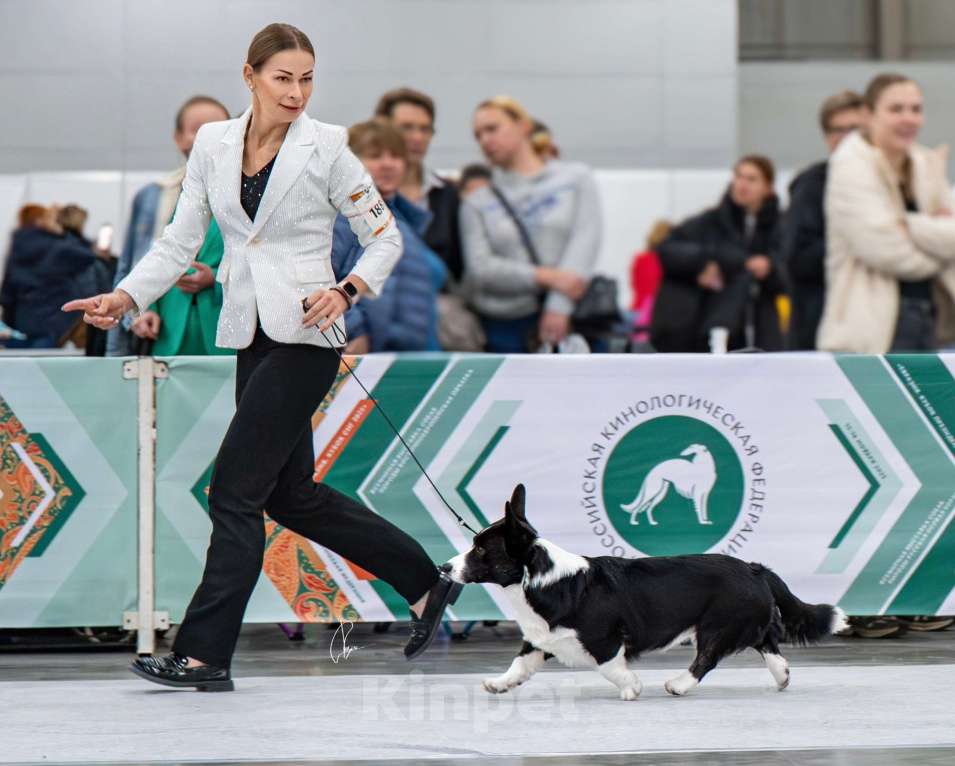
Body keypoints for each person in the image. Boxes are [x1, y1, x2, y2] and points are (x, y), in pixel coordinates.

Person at [62, 23, 461, 692]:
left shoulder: (328, 147)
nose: (296, 92)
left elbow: (384, 238)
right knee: (290, 495)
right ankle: (425, 583)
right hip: (250, 332)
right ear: (249, 76)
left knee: (234, 491)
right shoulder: (213, 144)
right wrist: (125, 296)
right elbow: (179, 240)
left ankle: (204, 654)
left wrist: (347, 290)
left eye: (307, 79)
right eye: (283, 78)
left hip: (307, 337)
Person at [818, 73, 955, 353]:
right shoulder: (850, 165)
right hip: (873, 334)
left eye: (916, 109)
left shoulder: (926, 163)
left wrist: (907, 225)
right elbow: (885, 251)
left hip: (935, 323)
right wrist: (942, 250)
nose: (909, 118)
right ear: (868, 115)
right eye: (896, 109)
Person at [459, 95, 599, 353]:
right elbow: (480, 268)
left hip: (571, 318)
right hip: (502, 327)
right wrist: (546, 277)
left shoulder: (575, 179)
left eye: (492, 128)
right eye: (478, 135)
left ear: (523, 126)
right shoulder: (477, 202)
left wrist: (558, 307)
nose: (485, 140)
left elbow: (585, 240)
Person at [107, 96, 232, 356]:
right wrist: (138, 313)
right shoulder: (152, 196)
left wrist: (215, 278)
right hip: (166, 336)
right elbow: (132, 265)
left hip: (227, 335)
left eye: (218, 128)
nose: (207, 136)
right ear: (178, 137)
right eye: (197, 129)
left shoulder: (246, 194)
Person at [331, 118, 446, 352]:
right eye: (375, 156)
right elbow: (314, 280)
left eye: (396, 156)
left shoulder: (403, 222)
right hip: (366, 359)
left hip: (404, 360)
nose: (388, 164)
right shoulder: (341, 217)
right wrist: (353, 330)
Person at [651, 155, 786, 353]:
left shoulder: (781, 227)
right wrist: (703, 263)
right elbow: (667, 249)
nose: (742, 184)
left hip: (762, 327)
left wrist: (770, 268)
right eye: (738, 176)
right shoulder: (710, 222)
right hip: (710, 327)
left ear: (768, 187)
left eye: (751, 179)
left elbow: (792, 271)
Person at [782, 91, 864, 350]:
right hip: (819, 328)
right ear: (826, 137)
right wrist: (859, 243)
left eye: (854, 129)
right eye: (837, 130)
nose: (847, 138)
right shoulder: (811, 185)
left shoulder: (890, 182)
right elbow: (796, 258)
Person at [375, 87, 464, 283]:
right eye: (406, 128)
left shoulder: (448, 195)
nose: (418, 138)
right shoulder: (361, 195)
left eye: (425, 129)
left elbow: (460, 268)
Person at [2, 205, 110, 349]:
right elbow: (89, 256)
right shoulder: (58, 246)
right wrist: (73, 235)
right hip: (51, 322)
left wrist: (11, 320)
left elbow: (7, 291)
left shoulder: (18, 245)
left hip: (22, 322)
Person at [629, 219, 671, 343]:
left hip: (636, 310)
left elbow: (635, 285)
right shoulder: (666, 262)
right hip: (654, 314)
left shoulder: (639, 259)